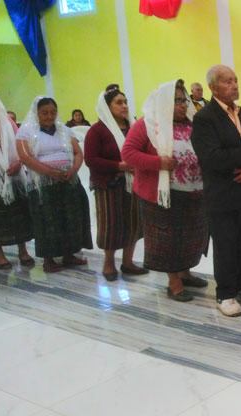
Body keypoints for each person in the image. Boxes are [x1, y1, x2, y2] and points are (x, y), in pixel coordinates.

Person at [190, 65, 241, 317]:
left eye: (235, 80)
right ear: (213, 87)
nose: (234, 85)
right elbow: (211, 156)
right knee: (225, 244)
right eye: (227, 81)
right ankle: (225, 293)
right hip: (222, 192)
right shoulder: (205, 118)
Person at [122, 79, 209, 302]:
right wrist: (158, 162)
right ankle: (174, 282)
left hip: (194, 191)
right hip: (163, 196)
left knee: (190, 236)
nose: (183, 105)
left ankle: (185, 273)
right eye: (177, 101)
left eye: (184, 100)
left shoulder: (192, 123)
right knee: (169, 240)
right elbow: (128, 153)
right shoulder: (148, 124)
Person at [16, 96, 92, 273]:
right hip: (43, 185)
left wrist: (73, 170)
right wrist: (50, 172)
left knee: (70, 218)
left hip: (68, 181)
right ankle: (48, 259)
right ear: (36, 113)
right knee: (47, 221)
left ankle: (69, 254)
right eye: (44, 113)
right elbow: (26, 158)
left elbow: (78, 153)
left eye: (53, 112)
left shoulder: (65, 130)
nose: (49, 116)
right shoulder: (25, 133)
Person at [84, 84, 145, 281]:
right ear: (107, 106)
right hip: (109, 185)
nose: (124, 106)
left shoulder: (133, 127)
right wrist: (119, 166)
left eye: (125, 102)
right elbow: (91, 159)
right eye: (119, 103)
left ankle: (128, 262)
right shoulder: (97, 131)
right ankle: (109, 263)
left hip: (134, 183)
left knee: (133, 222)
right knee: (111, 225)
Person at [0, 95, 34, 269]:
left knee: (19, 214)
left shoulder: (8, 123)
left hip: (14, 178)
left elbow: (22, 146)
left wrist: (18, 162)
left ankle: (23, 251)